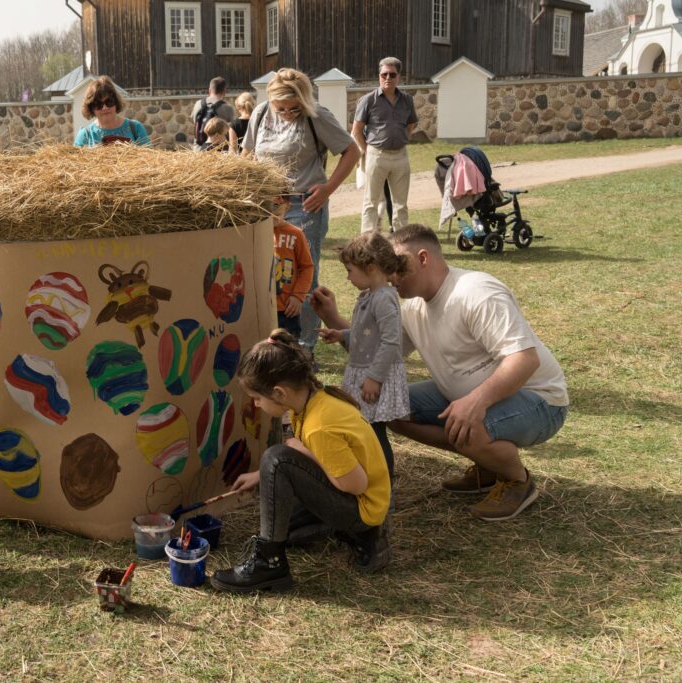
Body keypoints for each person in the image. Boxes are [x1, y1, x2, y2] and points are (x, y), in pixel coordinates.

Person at [387, 225, 569, 521]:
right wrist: (331, 317)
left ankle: (516, 481)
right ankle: (488, 465)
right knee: (390, 407)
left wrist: (475, 402)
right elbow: (384, 352)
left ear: (423, 259)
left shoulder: (476, 292)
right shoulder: (412, 308)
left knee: (467, 426)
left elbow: (524, 360)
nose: (390, 274)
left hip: (541, 401)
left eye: (396, 264)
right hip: (470, 397)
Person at [210, 329, 391, 593]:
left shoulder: (319, 425)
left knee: (278, 459)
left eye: (258, 399)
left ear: (279, 393)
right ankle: (359, 536)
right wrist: (261, 475)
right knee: (286, 530)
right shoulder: (312, 401)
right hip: (356, 497)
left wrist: (300, 452)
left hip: (362, 506)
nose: (257, 405)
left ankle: (269, 564)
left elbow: (356, 484)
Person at [243, 68, 360, 355]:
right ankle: (275, 338)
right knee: (269, 272)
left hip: (304, 205)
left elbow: (352, 151)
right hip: (266, 206)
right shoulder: (259, 114)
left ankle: (303, 347)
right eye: (280, 108)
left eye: (294, 108)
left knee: (301, 275)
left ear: (304, 101)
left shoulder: (316, 115)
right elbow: (246, 155)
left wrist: (328, 188)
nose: (287, 113)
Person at [312, 231, 410, 482]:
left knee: (374, 431)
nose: (348, 277)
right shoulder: (370, 295)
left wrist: (374, 378)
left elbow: (391, 341)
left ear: (371, 268)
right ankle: (375, 478)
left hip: (374, 375)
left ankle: (383, 482)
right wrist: (343, 335)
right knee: (367, 429)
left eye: (350, 270)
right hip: (365, 371)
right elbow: (369, 333)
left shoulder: (384, 299)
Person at [353, 57, 418, 234]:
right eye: (384, 74)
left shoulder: (407, 100)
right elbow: (357, 129)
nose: (387, 78)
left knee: (401, 204)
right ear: (379, 76)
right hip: (376, 155)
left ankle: (401, 242)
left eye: (392, 74)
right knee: (371, 202)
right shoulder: (368, 100)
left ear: (399, 77)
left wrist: (403, 137)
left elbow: (412, 124)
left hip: (400, 156)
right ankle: (368, 242)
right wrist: (367, 151)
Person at [271, 194, 313, 339]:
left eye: (277, 211)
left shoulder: (296, 234)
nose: (272, 217)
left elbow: (307, 267)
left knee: (289, 353)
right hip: (264, 310)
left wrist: (298, 296)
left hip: (287, 309)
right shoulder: (254, 234)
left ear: (287, 206)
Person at [74, 76, 151, 147]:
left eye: (109, 101)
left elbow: (149, 159)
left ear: (116, 102)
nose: (104, 108)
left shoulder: (135, 129)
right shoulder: (86, 135)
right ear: (91, 108)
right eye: (98, 104)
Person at [192, 76, 235, 146]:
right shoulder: (227, 108)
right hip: (217, 150)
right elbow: (231, 130)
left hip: (198, 149)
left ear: (209, 90)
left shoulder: (198, 104)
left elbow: (195, 122)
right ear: (225, 92)